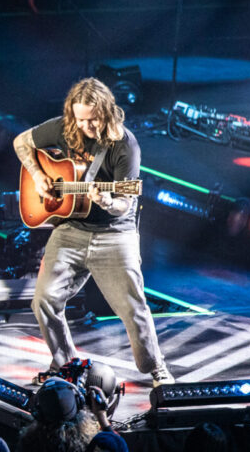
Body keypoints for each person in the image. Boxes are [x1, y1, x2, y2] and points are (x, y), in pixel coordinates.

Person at [12, 77, 172, 386]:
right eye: (80, 119)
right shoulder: (64, 127)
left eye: (93, 119)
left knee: (131, 305)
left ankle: (156, 368)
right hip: (70, 228)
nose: (86, 126)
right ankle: (65, 364)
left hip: (115, 233)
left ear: (107, 112)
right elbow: (21, 142)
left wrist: (108, 201)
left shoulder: (125, 145)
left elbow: (126, 203)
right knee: (43, 299)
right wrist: (39, 175)